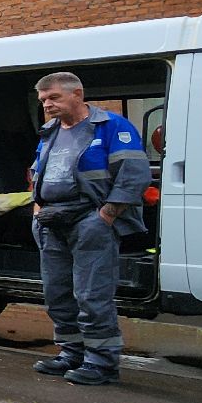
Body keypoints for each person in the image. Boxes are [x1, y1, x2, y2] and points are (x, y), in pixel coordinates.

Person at [29, 72, 150, 386]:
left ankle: (101, 362)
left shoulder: (112, 127)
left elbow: (134, 175)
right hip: (52, 222)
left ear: (77, 94)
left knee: (92, 294)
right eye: (44, 100)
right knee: (57, 292)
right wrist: (37, 208)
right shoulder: (50, 132)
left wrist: (106, 216)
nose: (48, 105)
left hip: (91, 221)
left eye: (54, 97)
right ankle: (72, 353)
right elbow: (37, 172)